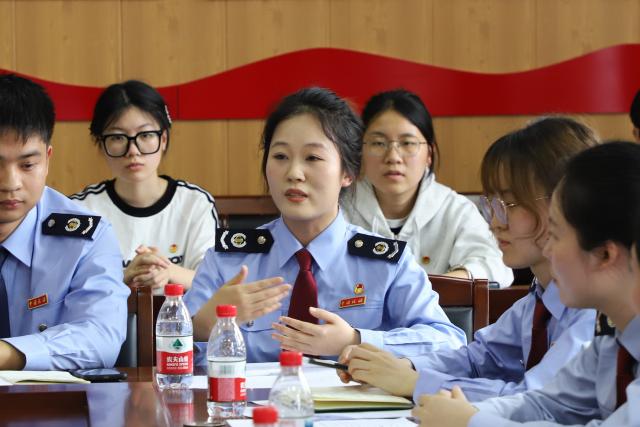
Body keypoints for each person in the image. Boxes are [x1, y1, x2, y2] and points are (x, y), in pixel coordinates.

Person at [184, 87, 466, 363]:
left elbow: (449, 342)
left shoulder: (385, 263)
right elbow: (171, 353)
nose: (294, 173)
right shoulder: (229, 260)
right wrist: (204, 325)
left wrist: (356, 340)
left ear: (348, 172)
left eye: (313, 158)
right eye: (280, 157)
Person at [338, 117, 598, 402]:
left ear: (562, 203)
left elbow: (537, 399)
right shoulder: (539, 299)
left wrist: (416, 382)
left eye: (509, 204)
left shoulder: (591, 309)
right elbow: (477, 359)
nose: (495, 222)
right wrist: (404, 367)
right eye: (491, 204)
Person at [411, 141, 640, 427]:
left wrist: (470, 422)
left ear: (605, 254)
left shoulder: (599, 325)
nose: (548, 251)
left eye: (555, 235)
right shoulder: (611, 336)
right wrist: (467, 414)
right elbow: (546, 404)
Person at [0, 74, 129, 370]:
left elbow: (100, 337)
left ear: (47, 159)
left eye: (27, 165)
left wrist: (7, 354)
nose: (10, 183)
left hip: (49, 398)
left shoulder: (86, 238)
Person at [341, 89, 513, 287]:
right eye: (379, 143)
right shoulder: (339, 208)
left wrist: (428, 289)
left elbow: (495, 267)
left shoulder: (454, 210)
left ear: (429, 154)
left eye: (407, 143)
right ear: (360, 150)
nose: (393, 157)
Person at [70, 80, 218, 294]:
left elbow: (213, 280)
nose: (133, 150)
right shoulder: (81, 210)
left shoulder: (195, 203)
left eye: (146, 135)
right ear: (100, 144)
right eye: (118, 137)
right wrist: (123, 277)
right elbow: (66, 286)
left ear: (163, 139)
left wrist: (167, 271)